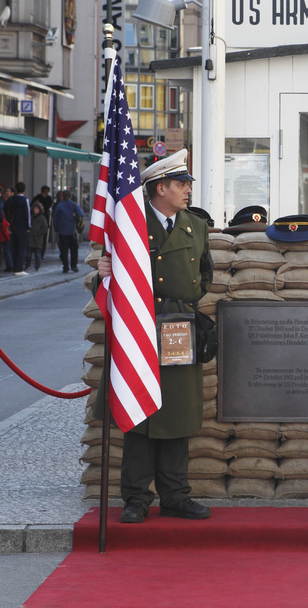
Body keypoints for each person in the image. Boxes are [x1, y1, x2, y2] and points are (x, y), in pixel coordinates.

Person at [96, 149, 213, 524]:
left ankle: (175, 495)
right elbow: (108, 277)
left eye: (187, 185)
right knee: (140, 412)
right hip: (141, 326)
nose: (187, 191)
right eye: (181, 185)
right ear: (160, 188)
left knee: (178, 412)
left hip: (179, 325)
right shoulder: (129, 225)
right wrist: (104, 274)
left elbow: (204, 276)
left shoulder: (196, 226)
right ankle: (135, 497)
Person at [52, 190, 85, 273]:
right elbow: (81, 214)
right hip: (73, 231)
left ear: (62, 196)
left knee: (64, 250)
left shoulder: (59, 206)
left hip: (62, 231)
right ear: (70, 196)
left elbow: (55, 219)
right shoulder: (74, 205)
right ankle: (74, 266)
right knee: (74, 249)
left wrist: (56, 229)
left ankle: (65, 267)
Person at [6, 181, 32, 276]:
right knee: (22, 248)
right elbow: (27, 214)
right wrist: (28, 226)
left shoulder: (12, 200)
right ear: (24, 189)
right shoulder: (25, 200)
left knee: (14, 247)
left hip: (13, 226)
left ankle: (14, 266)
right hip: (22, 226)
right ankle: (19, 268)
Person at [32, 185, 54, 257]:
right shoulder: (38, 197)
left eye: (47, 192)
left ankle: (42, 252)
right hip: (37, 219)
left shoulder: (49, 199)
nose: (46, 193)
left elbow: (48, 206)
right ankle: (36, 251)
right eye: (45, 192)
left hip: (45, 218)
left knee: (44, 236)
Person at [28, 202, 47, 270]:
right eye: (34, 208)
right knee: (28, 254)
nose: (35, 210)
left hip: (37, 239)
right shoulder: (30, 216)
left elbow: (45, 228)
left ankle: (37, 266)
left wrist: (38, 233)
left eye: (37, 208)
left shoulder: (42, 218)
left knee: (38, 254)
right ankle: (27, 265)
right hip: (30, 238)